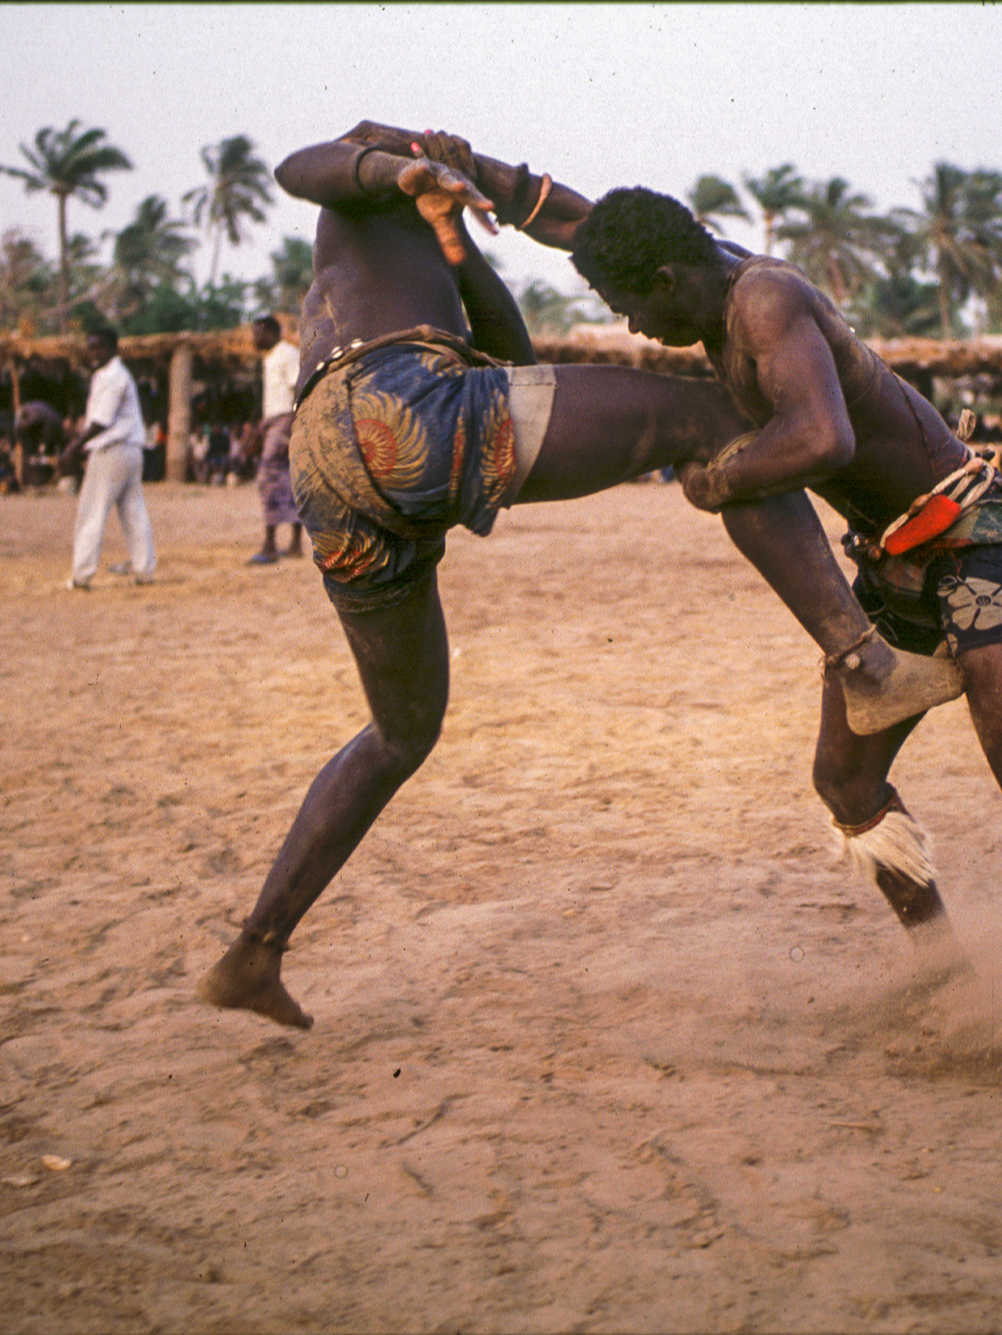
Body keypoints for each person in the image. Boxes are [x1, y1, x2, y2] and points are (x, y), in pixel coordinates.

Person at [197, 123, 953, 1031]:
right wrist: (405, 169)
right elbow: (297, 167)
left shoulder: (409, 243)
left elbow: (514, 365)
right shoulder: (365, 175)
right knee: (713, 419)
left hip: (335, 471)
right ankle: (866, 664)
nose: (441, 148)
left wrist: (457, 243)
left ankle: (254, 951)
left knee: (401, 730)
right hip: (400, 407)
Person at [61, 326, 157, 590]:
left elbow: (102, 420)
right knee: (133, 511)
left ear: (113, 348)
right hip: (130, 451)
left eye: (99, 347)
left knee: (91, 511)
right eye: (91, 348)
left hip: (112, 451)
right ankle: (144, 569)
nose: (94, 353)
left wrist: (74, 447)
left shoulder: (113, 375)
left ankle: (81, 575)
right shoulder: (110, 374)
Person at [243, 314, 305, 564]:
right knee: (288, 479)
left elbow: (297, 387)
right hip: (275, 421)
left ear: (271, 332)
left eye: (257, 333)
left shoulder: (287, 354)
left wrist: (291, 421)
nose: (254, 338)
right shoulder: (272, 358)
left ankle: (270, 545)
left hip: (284, 420)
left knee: (268, 476)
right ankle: (294, 545)